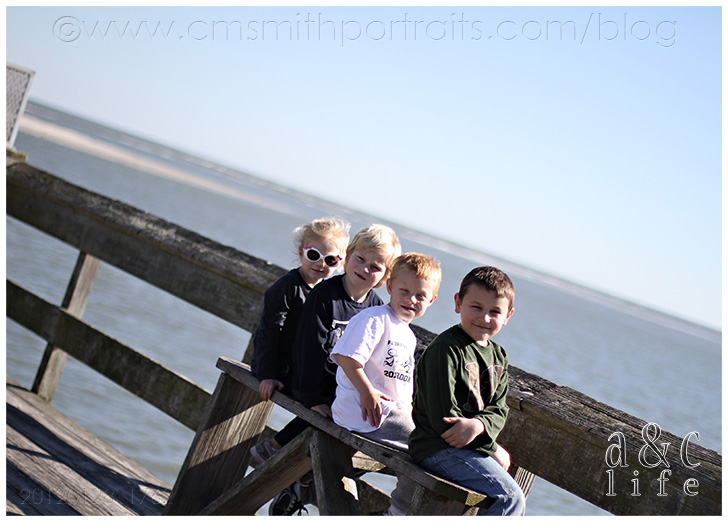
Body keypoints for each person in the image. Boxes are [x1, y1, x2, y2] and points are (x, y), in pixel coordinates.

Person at [252, 224, 401, 515]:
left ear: (385, 278)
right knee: (334, 415)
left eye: (375, 267)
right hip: (304, 378)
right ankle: (280, 452)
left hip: (335, 383)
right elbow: (308, 350)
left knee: (367, 425)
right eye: (360, 259)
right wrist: (310, 399)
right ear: (349, 256)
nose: (365, 269)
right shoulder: (325, 294)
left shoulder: (375, 307)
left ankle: (300, 482)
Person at [408, 266, 526, 516]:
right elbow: (444, 420)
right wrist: (491, 448)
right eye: (476, 307)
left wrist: (479, 426)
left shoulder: (499, 355)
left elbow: (499, 409)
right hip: (435, 447)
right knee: (510, 498)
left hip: (465, 449)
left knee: (508, 495)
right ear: (458, 302)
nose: (485, 318)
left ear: (508, 315)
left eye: (495, 312)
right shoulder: (446, 349)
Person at [331, 252, 441, 516]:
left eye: (420, 295)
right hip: (362, 410)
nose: (411, 300)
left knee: (430, 449)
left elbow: (400, 386)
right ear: (390, 286)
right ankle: (396, 513)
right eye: (404, 291)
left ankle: (303, 488)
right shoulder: (375, 318)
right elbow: (346, 357)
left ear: (432, 300)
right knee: (427, 449)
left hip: (387, 414)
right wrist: (367, 392)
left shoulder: (408, 335)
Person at [249, 217, 350, 461]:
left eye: (330, 260)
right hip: (280, 370)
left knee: (341, 402)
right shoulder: (288, 287)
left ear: (340, 263)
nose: (320, 264)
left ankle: (300, 466)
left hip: (302, 370)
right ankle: (277, 448)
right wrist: (267, 374)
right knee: (326, 406)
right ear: (301, 252)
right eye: (314, 255)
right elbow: (268, 332)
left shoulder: (327, 293)